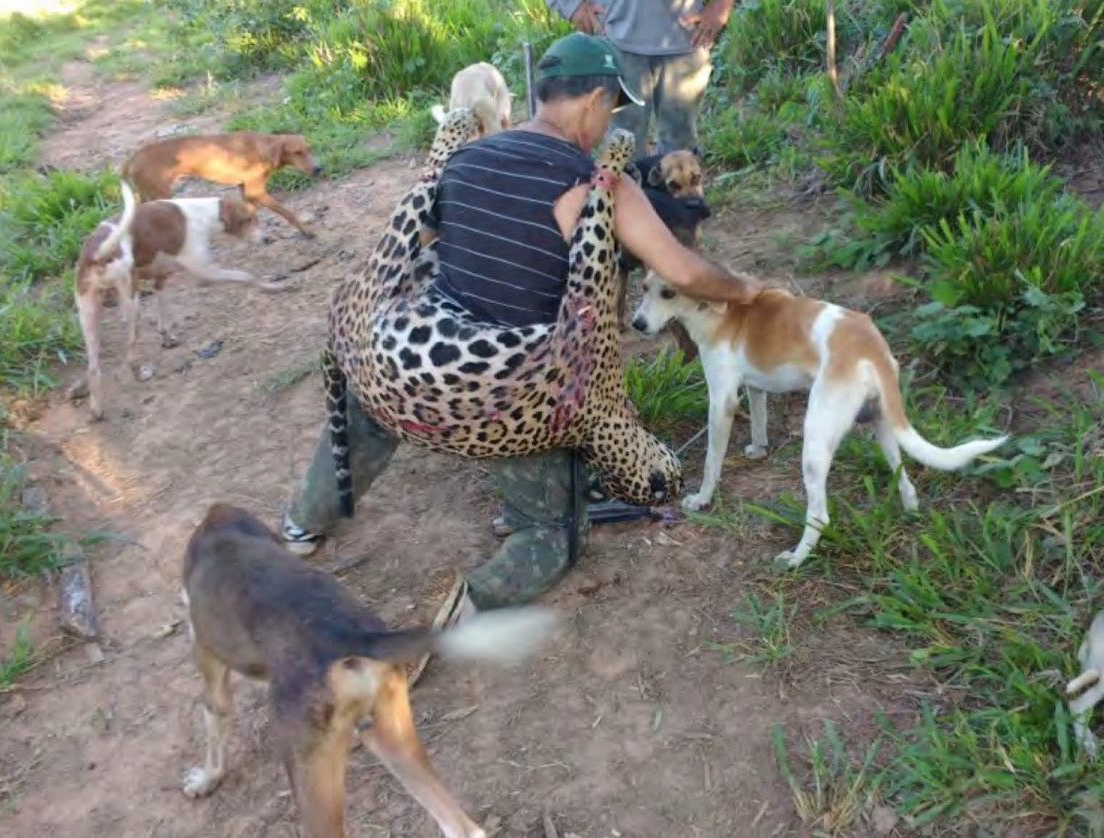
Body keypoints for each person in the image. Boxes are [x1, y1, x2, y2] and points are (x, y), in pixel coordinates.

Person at [278, 32, 761, 623]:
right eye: (611, 109)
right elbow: (682, 269)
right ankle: (470, 601)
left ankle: (303, 522)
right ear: (595, 100)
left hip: (403, 364)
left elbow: (418, 245)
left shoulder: (465, 158)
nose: (608, 123)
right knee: (553, 532)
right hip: (505, 395)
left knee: (370, 409)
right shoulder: (597, 181)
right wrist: (745, 289)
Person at [546, 0, 735, 158]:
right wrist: (572, 6)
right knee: (622, 147)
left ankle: (669, 192)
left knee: (680, 147)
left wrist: (721, 6)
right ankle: (624, 191)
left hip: (686, 41)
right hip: (617, 41)